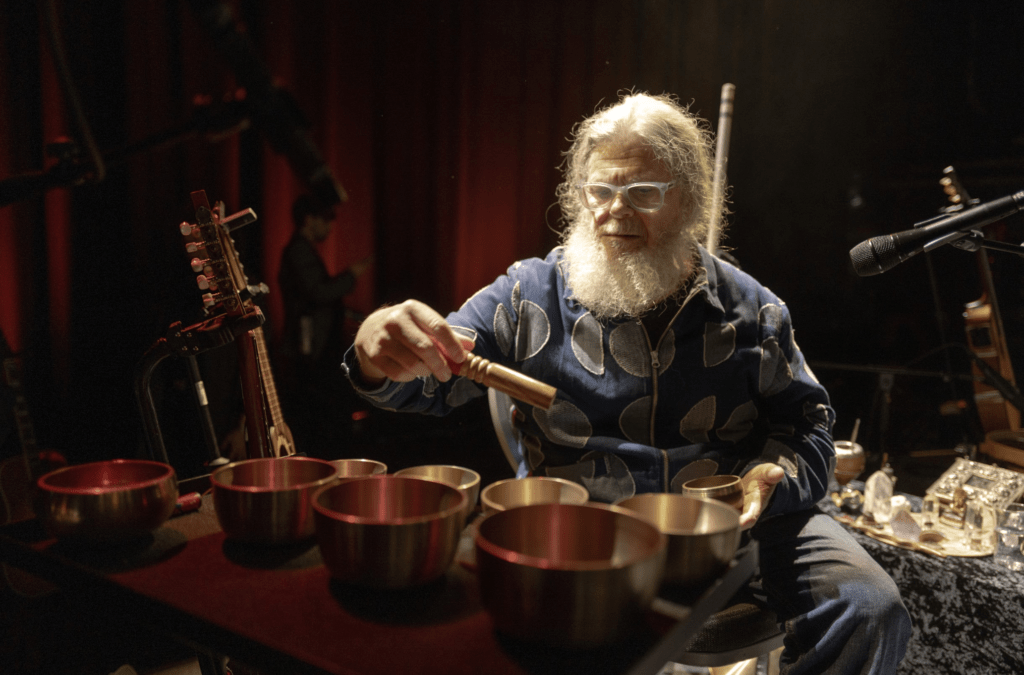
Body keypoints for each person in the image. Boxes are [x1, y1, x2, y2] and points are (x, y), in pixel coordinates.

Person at [343, 92, 911, 673]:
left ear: (688, 200)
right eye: (600, 190)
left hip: (733, 529)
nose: (614, 210)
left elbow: (809, 426)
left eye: (643, 193)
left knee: (869, 606)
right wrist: (375, 346)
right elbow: (427, 381)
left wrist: (775, 476)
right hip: (584, 530)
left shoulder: (754, 311)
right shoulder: (526, 295)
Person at [278, 194, 372, 459]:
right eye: (326, 219)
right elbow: (318, 293)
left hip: (314, 348)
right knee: (318, 413)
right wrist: (352, 274)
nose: (330, 227)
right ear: (309, 220)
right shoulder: (298, 250)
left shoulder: (302, 249)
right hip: (310, 349)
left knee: (322, 411)